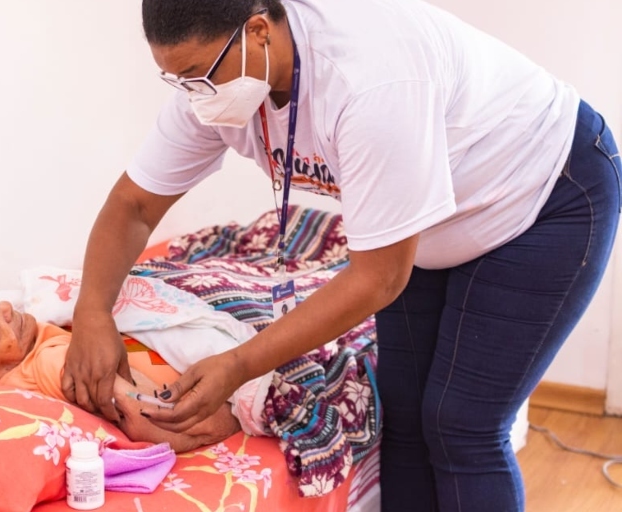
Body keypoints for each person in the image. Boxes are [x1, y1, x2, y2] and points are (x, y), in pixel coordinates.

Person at [61, 0, 621, 510]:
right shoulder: (215, 89)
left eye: (199, 76)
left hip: (544, 192)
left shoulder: (369, 80)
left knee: (462, 424)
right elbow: (133, 204)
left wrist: (238, 364)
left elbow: (378, 278)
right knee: (403, 416)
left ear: (258, 31)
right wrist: (92, 311)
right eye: (177, 79)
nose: (192, 94)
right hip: (430, 222)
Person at [0, 290, 241, 452]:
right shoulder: (54, 363)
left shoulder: (29, 346)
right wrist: (236, 418)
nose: (2, 305)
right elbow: (151, 420)